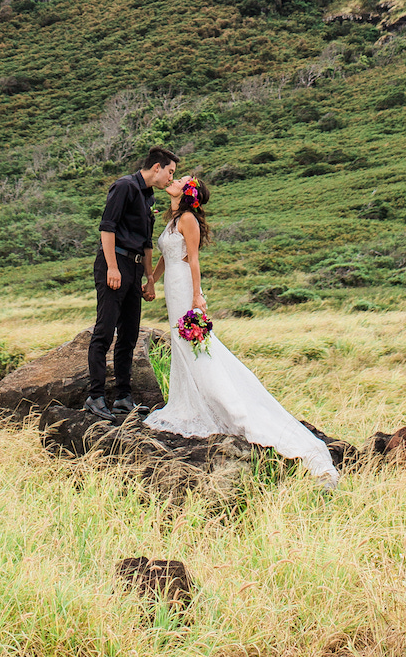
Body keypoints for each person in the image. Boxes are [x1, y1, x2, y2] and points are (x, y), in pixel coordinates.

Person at [145, 174, 339, 485]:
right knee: (183, 347)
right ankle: (189, 399)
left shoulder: (188, 220)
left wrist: (197, 296)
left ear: (187, 192)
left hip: (184, 286)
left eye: (182, 178)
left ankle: (227, 405)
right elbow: (169, 256)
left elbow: (192, 260)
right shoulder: (172, 219)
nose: (175, 178)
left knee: (194, 345)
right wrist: (152, 279)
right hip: (170, 285)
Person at [84, 144, 177, 420]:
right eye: (170, 172)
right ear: (156, 168)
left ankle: (124, 397)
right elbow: (107, 227)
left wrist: (149, 278)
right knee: (104, 330)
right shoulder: (124, 186)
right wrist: (112, 267)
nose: (171, 178)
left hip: (135, 268)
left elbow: (146, 243)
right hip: (115, 263)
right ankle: (95, 396)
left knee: (129, 335)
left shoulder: (148, 197)